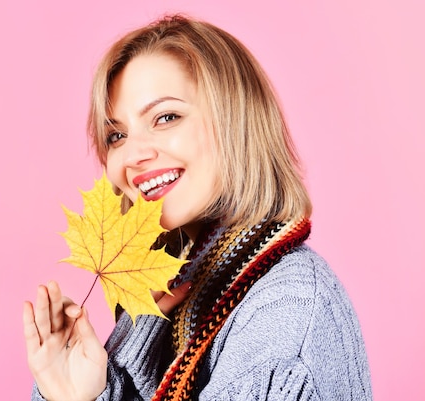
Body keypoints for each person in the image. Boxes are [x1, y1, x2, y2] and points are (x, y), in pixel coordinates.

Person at [23, 14, 372, 401]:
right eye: (117, 135)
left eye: (166, 117)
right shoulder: (174, 298)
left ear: (235, 122)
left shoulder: (287, 311)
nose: (134, 155)